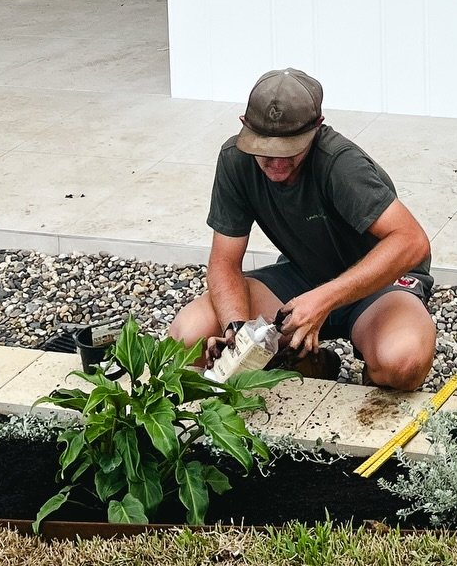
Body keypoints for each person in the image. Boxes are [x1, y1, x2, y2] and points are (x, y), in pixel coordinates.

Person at [169, 67, 437, 391]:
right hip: (302, 277)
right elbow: (224, 262)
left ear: (317, 128)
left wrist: (323, 300)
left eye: (290, 149)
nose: (277, 163)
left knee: (402, 361)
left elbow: (413, 242)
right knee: (188, 337)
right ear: (244, 125)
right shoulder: (235, 160)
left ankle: (373, 377)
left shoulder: (340, 163)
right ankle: (310, 362)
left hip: (378, 285)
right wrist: (237, 333)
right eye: (266, 150)